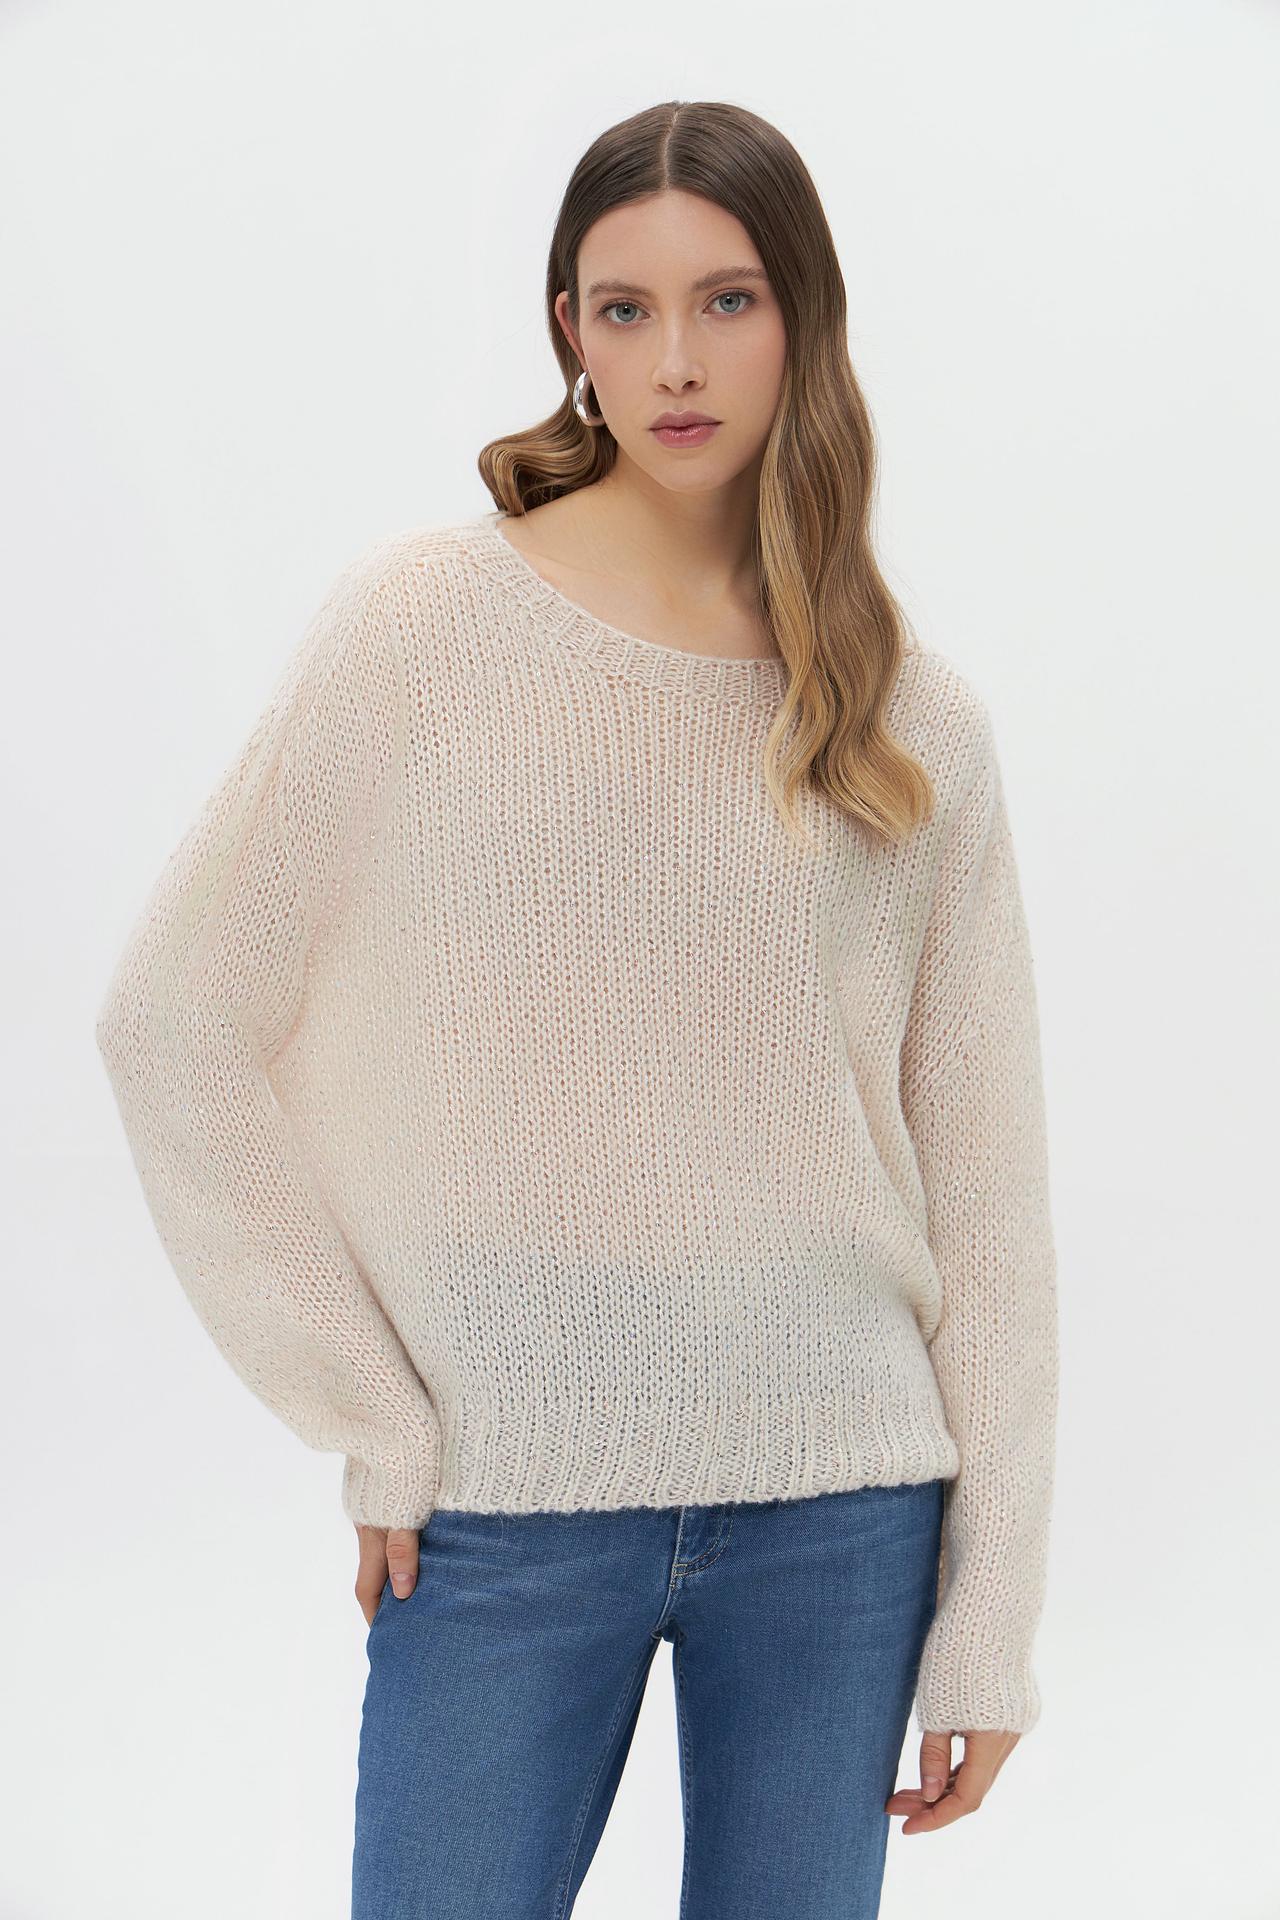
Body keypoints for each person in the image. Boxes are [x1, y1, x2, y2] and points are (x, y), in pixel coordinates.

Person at [95, 98, 1059, 1920]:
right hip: (504, 1496)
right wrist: (370, 1409)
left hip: (845, 1510)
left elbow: (989, 1193)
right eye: (625, 309)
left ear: (806, 316)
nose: (675, 360)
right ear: (570, 333)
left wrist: (991, 1615)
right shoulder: (420, 628)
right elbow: (173, 1022)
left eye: (729, 300)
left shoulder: (912, 717)